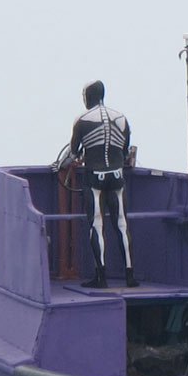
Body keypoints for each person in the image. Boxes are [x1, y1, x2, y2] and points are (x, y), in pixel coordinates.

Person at [56, 80, 139, 289]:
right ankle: (130, 276)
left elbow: (73, 153)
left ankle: (101, 277)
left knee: (97, 224)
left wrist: (59, 165)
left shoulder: (82, 120)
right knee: (121, 224)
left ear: (88, 97)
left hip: (95, 177)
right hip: (118, 175)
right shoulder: (121, 118)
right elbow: (124, 148)